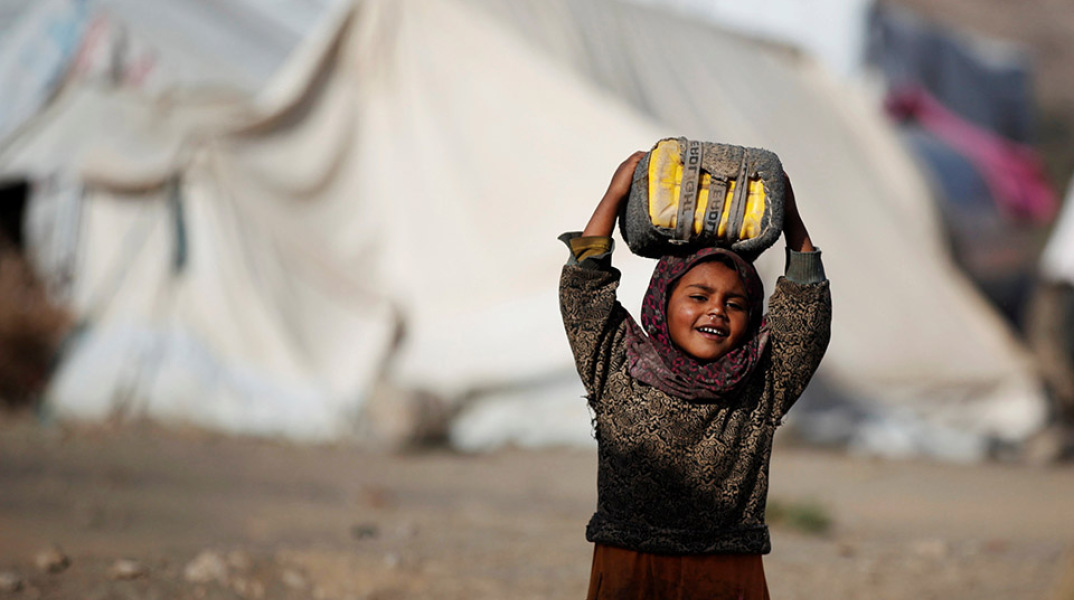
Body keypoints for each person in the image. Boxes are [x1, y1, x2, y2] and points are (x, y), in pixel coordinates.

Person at [559, 151, 832, 599]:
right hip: (629, 567)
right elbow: (583, 291)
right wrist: (615, 193)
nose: (716, 312)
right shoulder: (618, 363)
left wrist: (792, 217)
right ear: (662, 301)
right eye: (698, 296)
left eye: (735, 303)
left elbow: (807, 314)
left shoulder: (761, 383)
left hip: (725, 572)